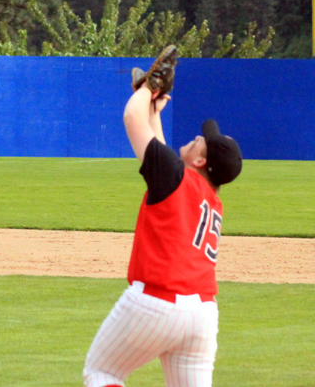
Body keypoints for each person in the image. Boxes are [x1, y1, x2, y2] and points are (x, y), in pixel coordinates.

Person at [83, 80, 242, 387]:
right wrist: (154, 107)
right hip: (203, 316)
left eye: (203, 141)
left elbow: (132, 118)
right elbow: (162, 154)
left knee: (103, 373)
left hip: (156, 304)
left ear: (200, 161)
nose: (199, 136)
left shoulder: (174, 175)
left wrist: (146, 89)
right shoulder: (209, 197)